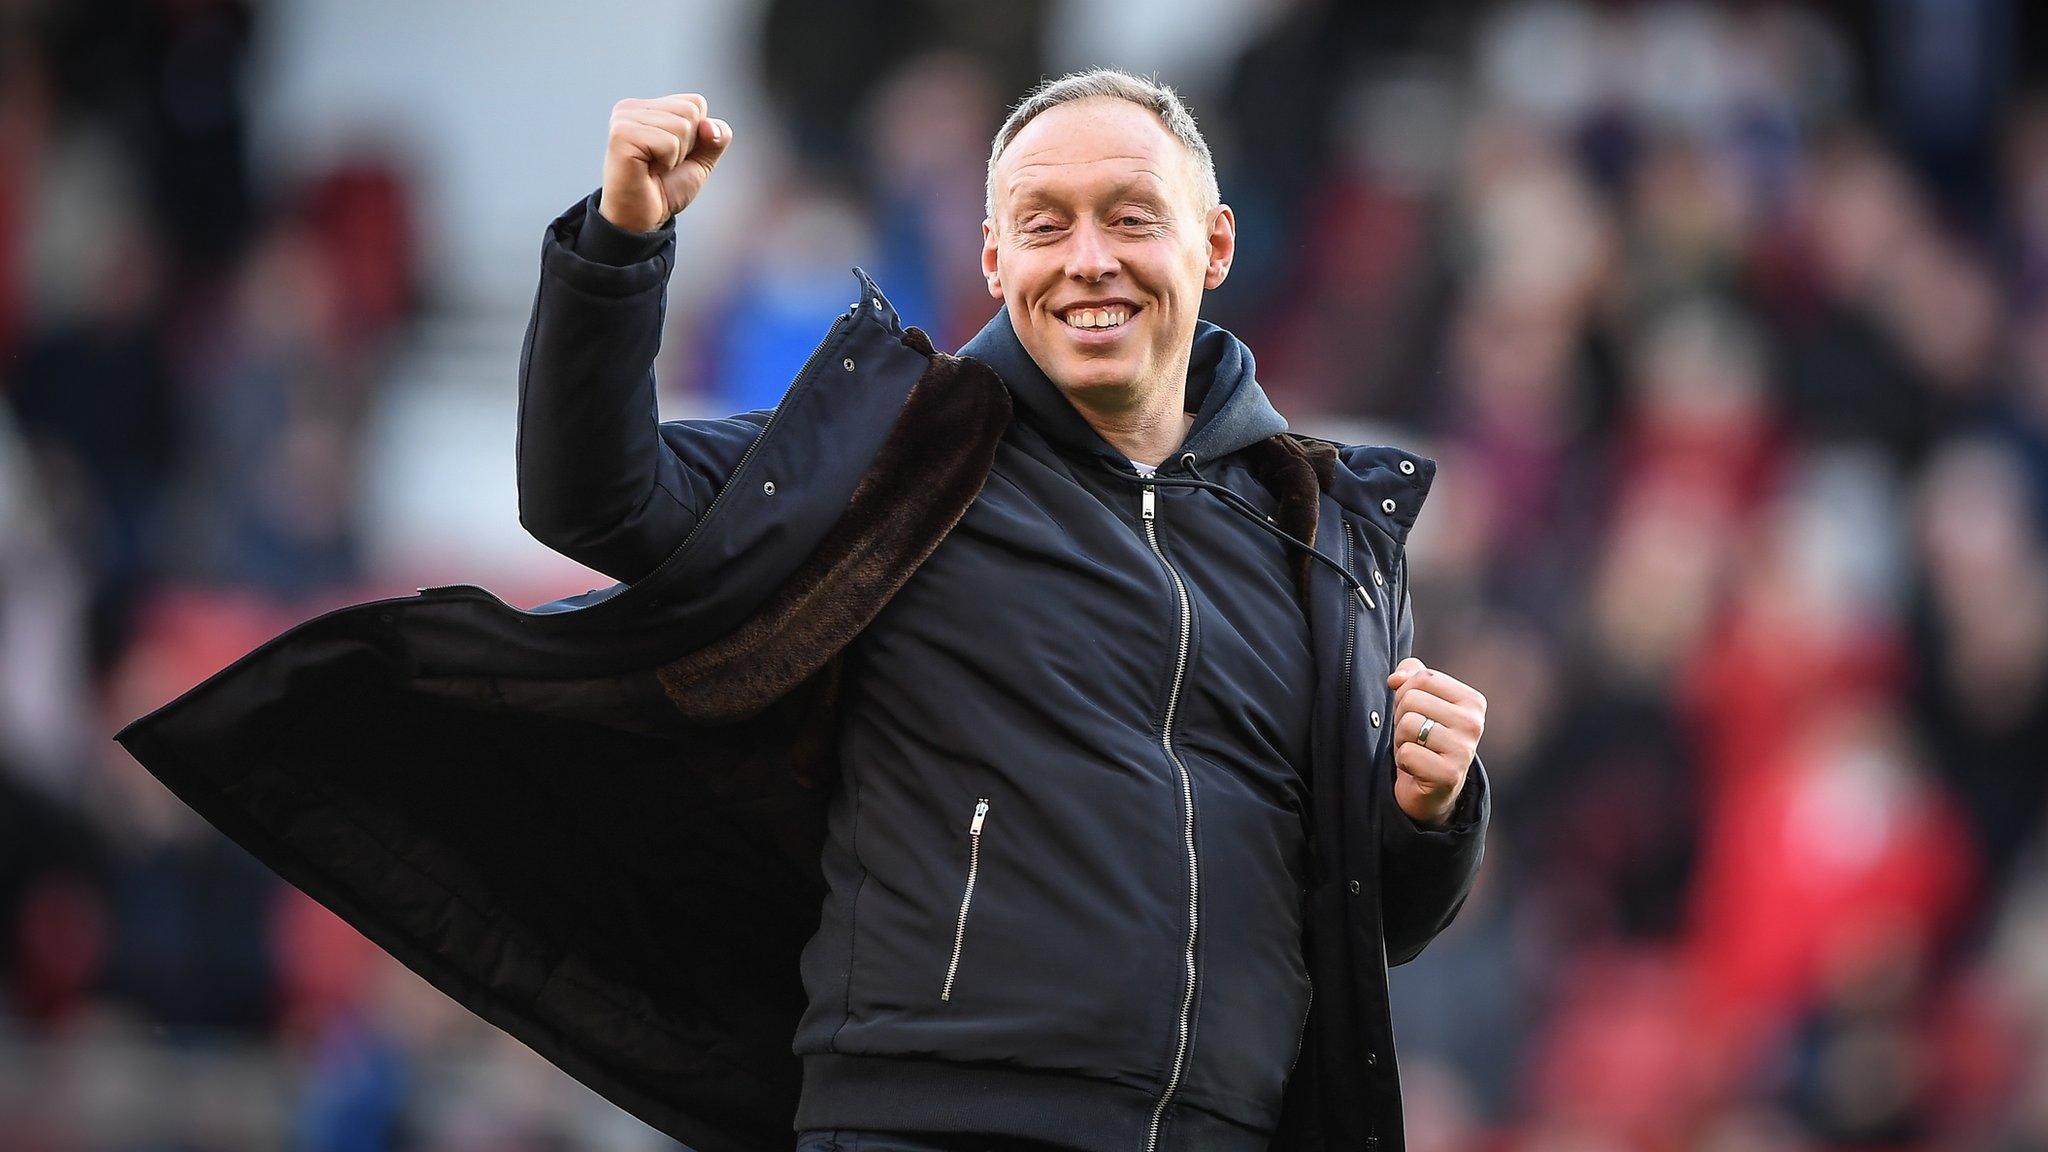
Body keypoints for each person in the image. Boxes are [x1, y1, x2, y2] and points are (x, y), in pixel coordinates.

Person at [116, 68, 1489, 1152]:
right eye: (1046, 224)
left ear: (1216, 241)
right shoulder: (894, 452)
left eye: (1131, 216)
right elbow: (599, 498)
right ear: (996, 261)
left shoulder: (1324, 532)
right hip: (929, 1121)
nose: (1092, 260)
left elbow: (1369, 909)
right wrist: (622, 246)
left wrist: (1429, 819)